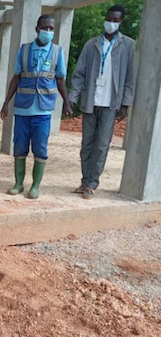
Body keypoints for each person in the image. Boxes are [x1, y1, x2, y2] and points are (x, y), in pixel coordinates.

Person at [0, 14, 72, 199]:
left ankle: (35, 186)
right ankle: (18, 183)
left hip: (44, 110)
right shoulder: (24, 50)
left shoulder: (57, 52)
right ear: (37, 29)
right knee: (20, 147)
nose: (48, 32)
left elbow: (60, 79)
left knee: (40, 148)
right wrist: (6, 103)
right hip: (23, 109)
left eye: (51, 29)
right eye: (45, 28)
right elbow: (16, 77)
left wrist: (66, 102)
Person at [68, 5, 135, 200]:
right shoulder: (91, 44)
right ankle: (84, 180)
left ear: (121, 22)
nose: (111, 23)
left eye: (115, 20)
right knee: (86, 144)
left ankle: (92, 183)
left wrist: (125, 103)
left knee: (101, 145)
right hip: (91, 101)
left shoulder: (128, 45)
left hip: (111, 104)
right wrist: (73, 97)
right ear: (104, 19)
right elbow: (79, 74)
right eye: (109, 19)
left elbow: (130, 77)